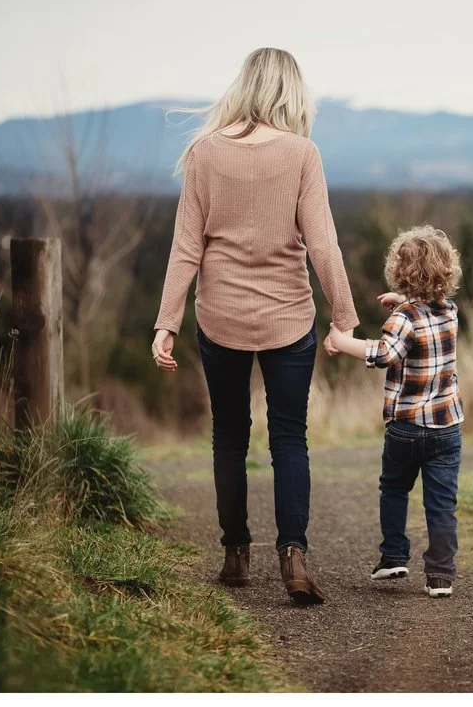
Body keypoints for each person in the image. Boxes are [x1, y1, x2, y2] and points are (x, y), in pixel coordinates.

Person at [152, 47, 359, 606]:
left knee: (229, 435)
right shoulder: (302, 154)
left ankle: (235, 552)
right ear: (291, 92)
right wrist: (344, 319)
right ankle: (293, 554)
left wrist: (165, 323)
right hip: (289, 316)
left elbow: (185, 246)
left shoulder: (203, 153)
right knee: (289, 437)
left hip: (219, 317)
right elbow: (322, 244)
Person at [325, 225, 464, 598]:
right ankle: (440, 577)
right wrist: (401, 300)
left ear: (400, 273)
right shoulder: (450, 311)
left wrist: (343, 341)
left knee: (394, 488)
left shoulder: (403, 318)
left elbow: (386, 353)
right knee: (441, 503)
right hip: (447, 428)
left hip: (406, 428)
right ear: (446, 272)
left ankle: (393, 557)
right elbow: (422, 317)